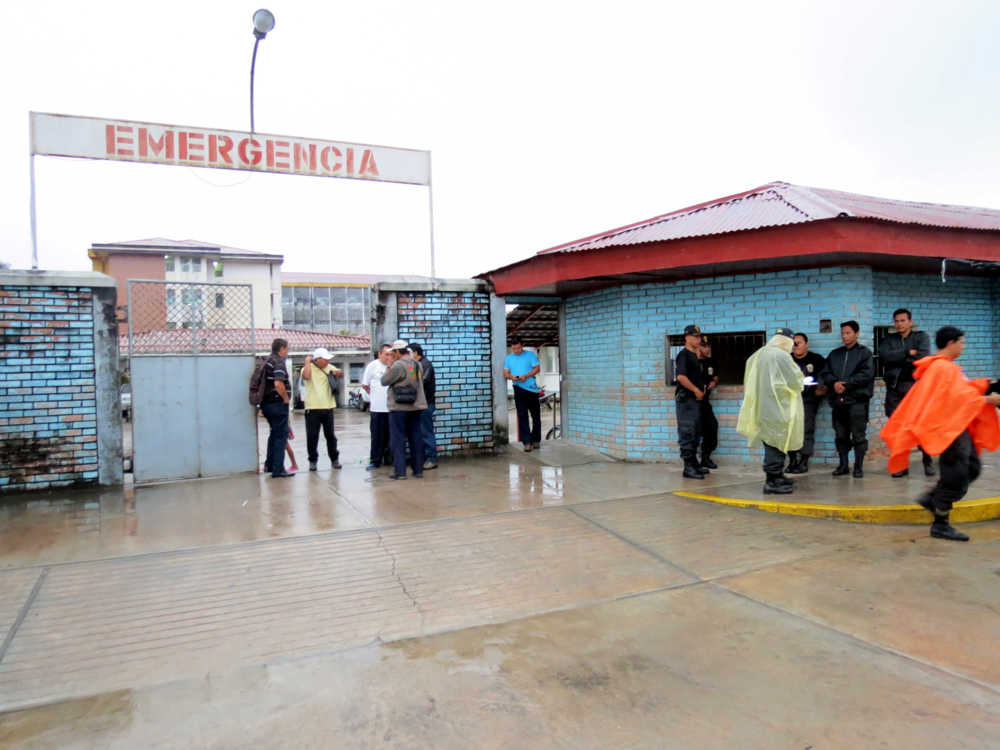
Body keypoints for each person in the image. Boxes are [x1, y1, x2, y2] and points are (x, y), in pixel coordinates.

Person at [881, 326, 1000, 541]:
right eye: (961, 342)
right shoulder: (941, 369)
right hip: (947, 431)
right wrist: (987, 400)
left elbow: (960, 392)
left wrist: (985, 385)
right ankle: (940, 522)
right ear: (951, 343)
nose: (963, 346)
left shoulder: (947, 368)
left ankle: (933, 499)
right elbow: (954, 400)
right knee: (957, 474)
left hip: (956, 427)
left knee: (971, 467)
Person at [737, 327, 804, 494]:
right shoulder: (781, 356)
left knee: (772, 442)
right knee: (777, 443)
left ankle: (778, 476)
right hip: (778, 408)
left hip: (762, 407)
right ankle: (772, 481)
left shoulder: (758, 354)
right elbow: (795, 381)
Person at [878, 308, 934, 477]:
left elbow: (922, 357)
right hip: (894, 388)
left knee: (920, 426)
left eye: (903, 320)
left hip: (915, 387)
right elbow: (884, 356)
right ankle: (901, 466)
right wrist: (907, 353)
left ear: (910, 321)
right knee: (898, 428)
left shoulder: (921, 337)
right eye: (897, 321)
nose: (900, 324)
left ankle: (928, 461)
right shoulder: (889, 339)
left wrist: (900, 359)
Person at [820, 320, 875, 478]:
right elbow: (825, 372)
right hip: (838, 402)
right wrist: (834, 383)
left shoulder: (865, 353)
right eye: (843, 333)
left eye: (848, 333)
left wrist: (846, 384)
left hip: (857, 401)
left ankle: (858, 467)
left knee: (858, 436)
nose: (845, 336)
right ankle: (843, 465)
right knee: (840, 434)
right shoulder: (835, 354)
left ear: (857, 334)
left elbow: (866, 374)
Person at [381, 340, 427, 479]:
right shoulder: (417, 364)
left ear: (396, 352)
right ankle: (418, 470)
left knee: (398, 439)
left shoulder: (398, 365)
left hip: (399, 407)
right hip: (416, 406)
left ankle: (400, 472)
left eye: (392, 353)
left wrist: (389, 366)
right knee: (415, 438)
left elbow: (384, 381)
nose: (391, 355)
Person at [786, 332, 828, 474]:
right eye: (794, 343)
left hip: (808, 401)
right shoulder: (787, 360)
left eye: (799, 342)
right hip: (790, 401)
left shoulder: (816, 359)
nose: (796, 346)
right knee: (790, 431)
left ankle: (803, 461)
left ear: (807, 344)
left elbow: (825, 375)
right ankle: (792, 460)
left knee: (806, 429)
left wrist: (821, 387)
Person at [301, 347, 343, 472]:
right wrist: (307, 362)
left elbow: (340, 373)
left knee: (330, 436)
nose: (327, 362)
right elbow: (306, 377)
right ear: (317, 359)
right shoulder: (307, 368)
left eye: (328, 359)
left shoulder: (330, 367)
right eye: (325, 359)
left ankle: (334, 459)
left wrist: (338, 373)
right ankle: (313, 461)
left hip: (328, 407)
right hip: (312, 408)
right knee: (312, 436)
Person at [674, 324, 708, 479]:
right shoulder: (684, 355)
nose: (698, 339)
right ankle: (688, 467)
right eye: (695, 337)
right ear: (687, 337)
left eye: (699, 337)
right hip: (686, 399)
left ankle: (694, 464)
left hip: (695, 401)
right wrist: (695, 390)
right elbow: (681, 376)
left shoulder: (695, 355)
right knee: (687, 432)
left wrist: (703, 388)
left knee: (696, 432)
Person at [260, 337, 295, 478]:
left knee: (274, 434)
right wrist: (286, 399)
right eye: (287, 348)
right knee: (281, 436)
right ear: (281, 349)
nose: (288, 351)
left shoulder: (268, 360)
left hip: (267, 404)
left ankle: (270, 465)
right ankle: (278, 469)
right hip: (277, 404)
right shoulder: (278, 362)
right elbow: (278, 383)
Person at [504, 337, 542, 452]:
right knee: (522, 416)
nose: (517, 350)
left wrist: (526, 376)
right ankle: (527, 442)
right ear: (512, 347)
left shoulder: (530, 355)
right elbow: (506, 373)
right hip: (518, 388)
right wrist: (512, 377)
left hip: (531, 389)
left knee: (536, 416)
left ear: (522, 346)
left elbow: (537, 369)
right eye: (514, 348)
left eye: (519, 348)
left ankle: (536, 440)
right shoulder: (509, 358)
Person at [361, 344, 392, 470]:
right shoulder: (373, 366)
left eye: (391, 354)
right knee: (377, 437)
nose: (388, 357)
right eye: (386, 354)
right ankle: (375, 460)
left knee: (391, 437)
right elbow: (365, 385)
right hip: (377, 409)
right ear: (380, 354)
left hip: (392, 409)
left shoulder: (394, 365)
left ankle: (390, 459)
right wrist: (375, 395)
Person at [409, 343, 439, 469]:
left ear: (416, 353)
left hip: (426, 404)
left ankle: (431, 459)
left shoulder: (425, 364)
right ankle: (422, 458)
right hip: (420, 404)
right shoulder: (417, 365)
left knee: (426, 432)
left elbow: (421, 381)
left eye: (409, 353)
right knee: (421, 432)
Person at [697, 336, 719, 469]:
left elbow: (716, 375)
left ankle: (706, 457)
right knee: (693, 432)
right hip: (692, 403)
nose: (707, 348)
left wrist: (714, 381)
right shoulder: (692, 361)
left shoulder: (711, 361)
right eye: (704, 346)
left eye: (708, 346)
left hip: (705, 403)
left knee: (712, 428)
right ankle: (693, 461)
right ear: (698, 347)